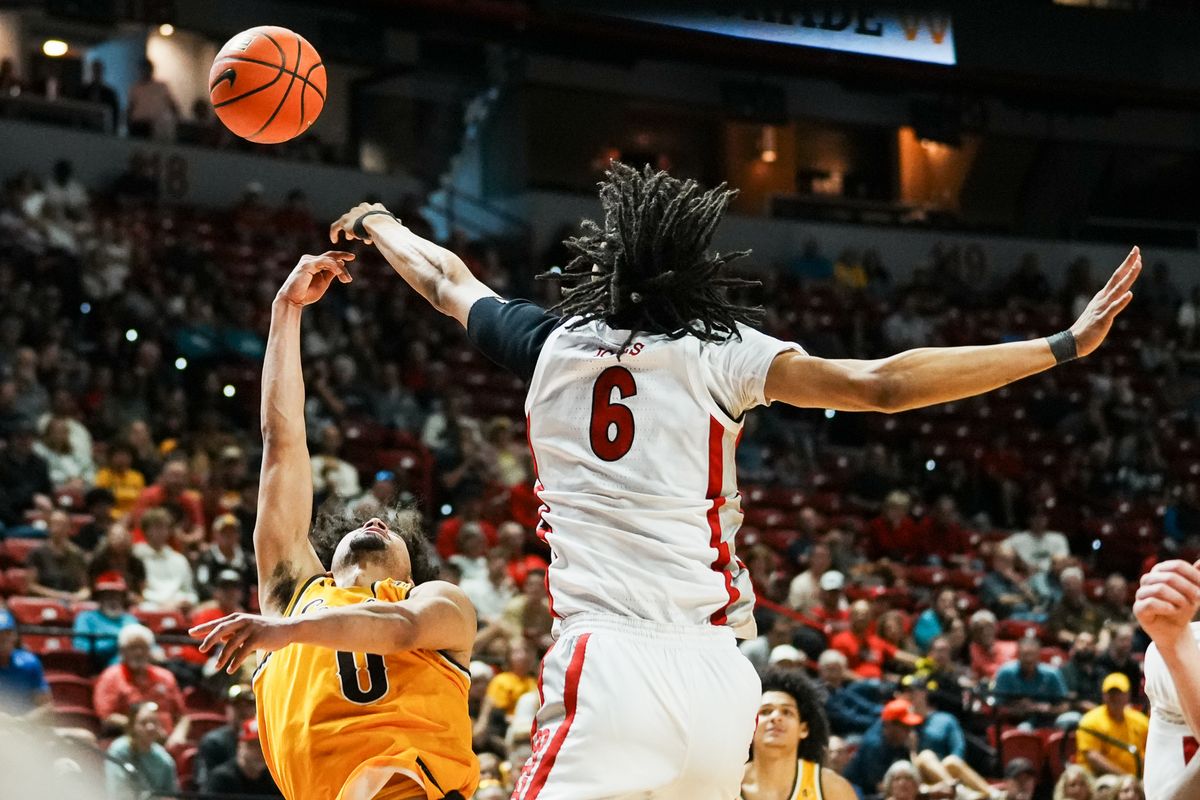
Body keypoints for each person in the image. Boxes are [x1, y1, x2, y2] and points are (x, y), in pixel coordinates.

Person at [332, 164, 1142, 800]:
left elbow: (445, 280)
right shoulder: (724, 353)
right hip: (723, 679)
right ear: (694, 277)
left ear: (603, 271)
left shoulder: (548, 344)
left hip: (609, 661)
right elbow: (886, 385)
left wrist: (378, 221)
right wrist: (1061, 345)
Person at [188, 251, 479, 800]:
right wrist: (285, 310)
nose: (375, 520)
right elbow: (282, 443)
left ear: (412, 571)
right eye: (367, 521)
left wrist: (286, 633)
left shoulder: (441, 605)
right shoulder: (291, 594)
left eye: (392, 529)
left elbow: (401, 629)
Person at [739, 667, 857, 800]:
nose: (776, 717)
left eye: (787, 712)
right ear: (750, 725)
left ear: (804, 729)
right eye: (766, 711)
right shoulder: (726, 782)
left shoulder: (832, 787)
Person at [93, 624, 185, 732]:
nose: (138, 652)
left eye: (143, 647)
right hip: (129, 740)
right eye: (133, 647)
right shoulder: (111, 677)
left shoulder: (165, 676)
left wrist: (178, 736)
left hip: (167, 741)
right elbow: (106, 717)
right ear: (122, 651)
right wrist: (146, 729)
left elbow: (182, 717)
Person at [1076, 673, 1149, 777]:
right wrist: (1125, 777)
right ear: (1103, 695)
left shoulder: (1141, 721)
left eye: (1119, 693)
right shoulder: (1089, 721)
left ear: (1128, 695)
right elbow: (1093, 757)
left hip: (1138, 780)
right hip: (1100, 778)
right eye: (1110, 693)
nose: (1115, 698)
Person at [105, 701, 179, 800]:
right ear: (132, 726)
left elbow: (171, 796)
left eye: (154, 722)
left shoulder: (165, 760)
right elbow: (117, 793)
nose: (150, 727)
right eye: (143, 723)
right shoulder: (118, 751)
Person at [991, 635, 1070, 725]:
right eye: (1025, 655)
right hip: (1013, 722)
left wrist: (1047, 709)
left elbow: (1065, 706)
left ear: (1039, 655)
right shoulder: (1005, 672)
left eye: (1032, 655)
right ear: (1018, 655)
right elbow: (997, 707)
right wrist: (1016, 708)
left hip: (1047, 720)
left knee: (1070, 719)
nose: (1029, 659)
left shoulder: (1052, 673)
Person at [133, 507, 197, 610]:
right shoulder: (136, 557)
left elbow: (190, 592)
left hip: (178, 605)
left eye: (164, 527)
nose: (161, 532)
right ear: (146, 530)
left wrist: (186, 601)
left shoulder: (179, 559)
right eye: (156, 527)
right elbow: (137, 593)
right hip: (149, 605)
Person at [195, 684, 258, 787]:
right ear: (227, 709)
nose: (244, 711)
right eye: (238, 706)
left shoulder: (264, 740)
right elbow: (205, 784)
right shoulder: (213, 742)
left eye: (249, 705)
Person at [72, 572, 139, 666]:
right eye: (107, 595)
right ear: (98, 597)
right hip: (99, 668)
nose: (113, 600)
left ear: (123, 598)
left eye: (117, 595)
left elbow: (150, 647)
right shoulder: (86, 618)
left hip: (134, 666)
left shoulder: (130, 620)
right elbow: (81, 649)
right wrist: (119, 642)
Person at [203, 718, 284, 796]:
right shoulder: (221, 779)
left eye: (265, 746)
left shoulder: (274, 780)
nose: (260, 752)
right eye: (254, 745)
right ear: (240, 746)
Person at [27, 508, 89, 601]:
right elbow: (31, 586)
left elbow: (84, 587)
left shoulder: (77, 555)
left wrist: (80, 596)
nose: (58, 528)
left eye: (62, 524)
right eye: (54, 523)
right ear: (49, 526)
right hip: (45, 603)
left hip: (71, 603)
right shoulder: (37, 553)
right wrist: (59, 596)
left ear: (69, 527)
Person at [0, 608, 51, 717]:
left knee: (83, 734)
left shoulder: (29, 662)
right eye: (0, 635)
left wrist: (24, 720)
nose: (4, 639)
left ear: (15, 636)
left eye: (8, 633)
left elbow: (46, 705)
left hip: (26, 727)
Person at [126, 59, 178, 140]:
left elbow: (172, 104)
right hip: (139, 123)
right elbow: (131, 106)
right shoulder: (135, 88)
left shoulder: (161, 86)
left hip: (157, 124)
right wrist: (129, 122)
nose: (145, 72)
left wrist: (175, 120)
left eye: (147, 69)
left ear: (151, 70)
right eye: (143, 69)